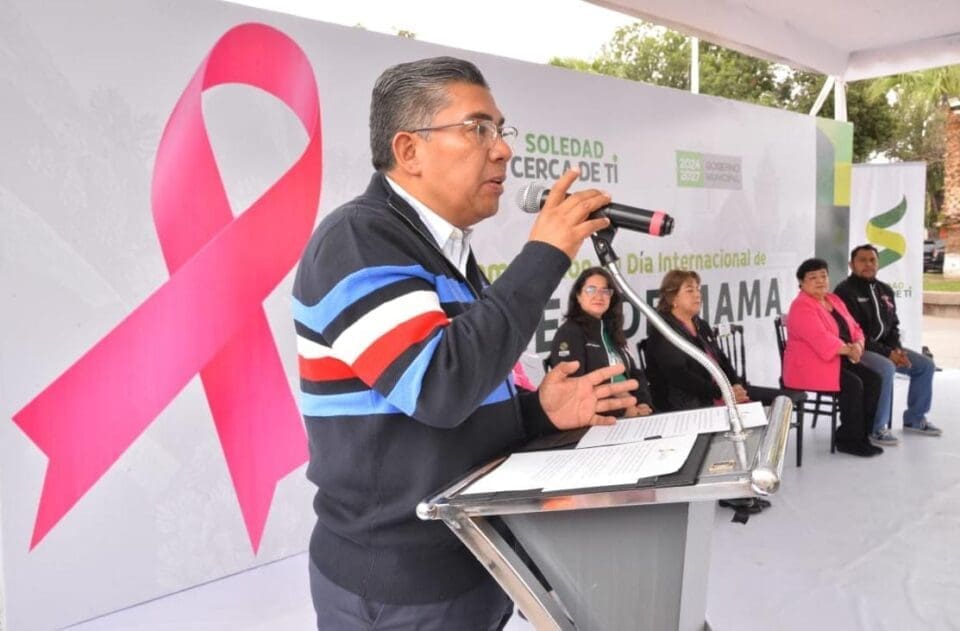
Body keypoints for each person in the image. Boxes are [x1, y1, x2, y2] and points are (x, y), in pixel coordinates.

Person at [292, 56, 639, 630]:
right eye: (478, 129)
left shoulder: (446, 253)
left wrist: (539, 411)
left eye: (500, 130)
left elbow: (459, 401)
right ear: (409, 150)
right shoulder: (358, 239)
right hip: (402, 585)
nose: (502, 149)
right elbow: (440, 387)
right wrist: (545, 255)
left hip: (472, 559)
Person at [834, 244, 941, 445]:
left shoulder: (885, 290)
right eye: (862, 260)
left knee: (925, 366)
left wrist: (897, 349)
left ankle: (915, 419)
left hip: (885, 348)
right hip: (857, 350)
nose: (868, 264)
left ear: (878, 264)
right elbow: (854, 333)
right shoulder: (844, 291)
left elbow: (893, 326)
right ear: (851, 264)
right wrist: (888, 354)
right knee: (886, 368)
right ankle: (877, 429)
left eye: (872, 260)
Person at [645, 270, 789, 411]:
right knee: (756, 416)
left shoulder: (700, 324)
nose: (697, 294)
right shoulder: (663, 330)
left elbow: (721, 359)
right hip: (687, 403)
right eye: (690, 291)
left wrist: (735, 384)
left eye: (698, 289)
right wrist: (722, 393)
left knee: (779, 406)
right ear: (672, 298)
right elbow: (680, 376)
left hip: (717, 394)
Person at [782, 258, 882, 457]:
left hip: (837, 360)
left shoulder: (833, 300)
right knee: (853, 385)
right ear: (801, 282)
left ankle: (861, 435)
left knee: (874, 380)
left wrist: (858, 345)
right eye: (813, 277)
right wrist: (849, 350)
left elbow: (855, 328)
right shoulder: (801, 306)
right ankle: (848, 441)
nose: (820, 281)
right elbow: (821, 338)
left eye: (823, 276)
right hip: (811, 367)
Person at [549, 267, 654, 417]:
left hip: (632, 410)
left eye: (605, 291)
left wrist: (644, 402)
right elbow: (575, 388)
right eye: (591, 290)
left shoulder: (611, 330)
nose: (599, 296)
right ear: (578, 296)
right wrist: (624, 409)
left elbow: (635, 373)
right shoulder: (569, 333)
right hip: (599, 418)